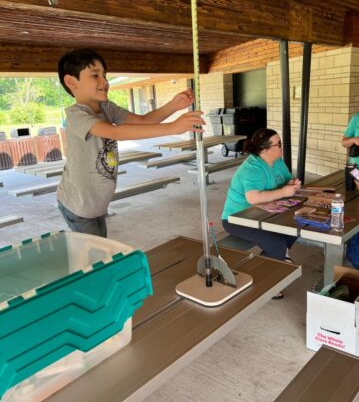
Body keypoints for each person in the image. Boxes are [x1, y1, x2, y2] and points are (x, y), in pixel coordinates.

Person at [57, 49, 204, 237]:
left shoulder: (106, 107)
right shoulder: (76, 115)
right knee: (94, 257)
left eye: (104, 75)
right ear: (71, 82)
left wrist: (173, 105)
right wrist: (173, 128)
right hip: (77, 204)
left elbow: (143, 121)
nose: (104, 81)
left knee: (99, 251)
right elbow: (114, 132)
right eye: (95, 75)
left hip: (96, 203)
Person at [221, 128, 301, 263]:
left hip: (265, 213)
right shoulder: (252, 168)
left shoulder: (278, 161)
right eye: (279, 144)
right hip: (237, 218)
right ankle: (262, 275)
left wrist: (293, 183)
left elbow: (289, 179)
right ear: (265, 150)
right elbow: (253, 198)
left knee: (297, 223)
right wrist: (284, 192)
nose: (282, 146)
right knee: (276, 244)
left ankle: (280, 256)